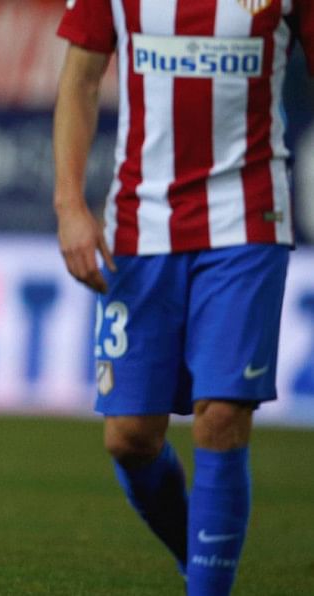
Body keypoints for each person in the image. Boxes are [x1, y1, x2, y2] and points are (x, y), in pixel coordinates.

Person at [54, 1, 313, 594]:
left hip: (247, 220)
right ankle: (201, 565)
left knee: (221, 415)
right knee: (130, 437)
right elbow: (81, 79)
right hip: (140, 225)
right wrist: (70, 205)